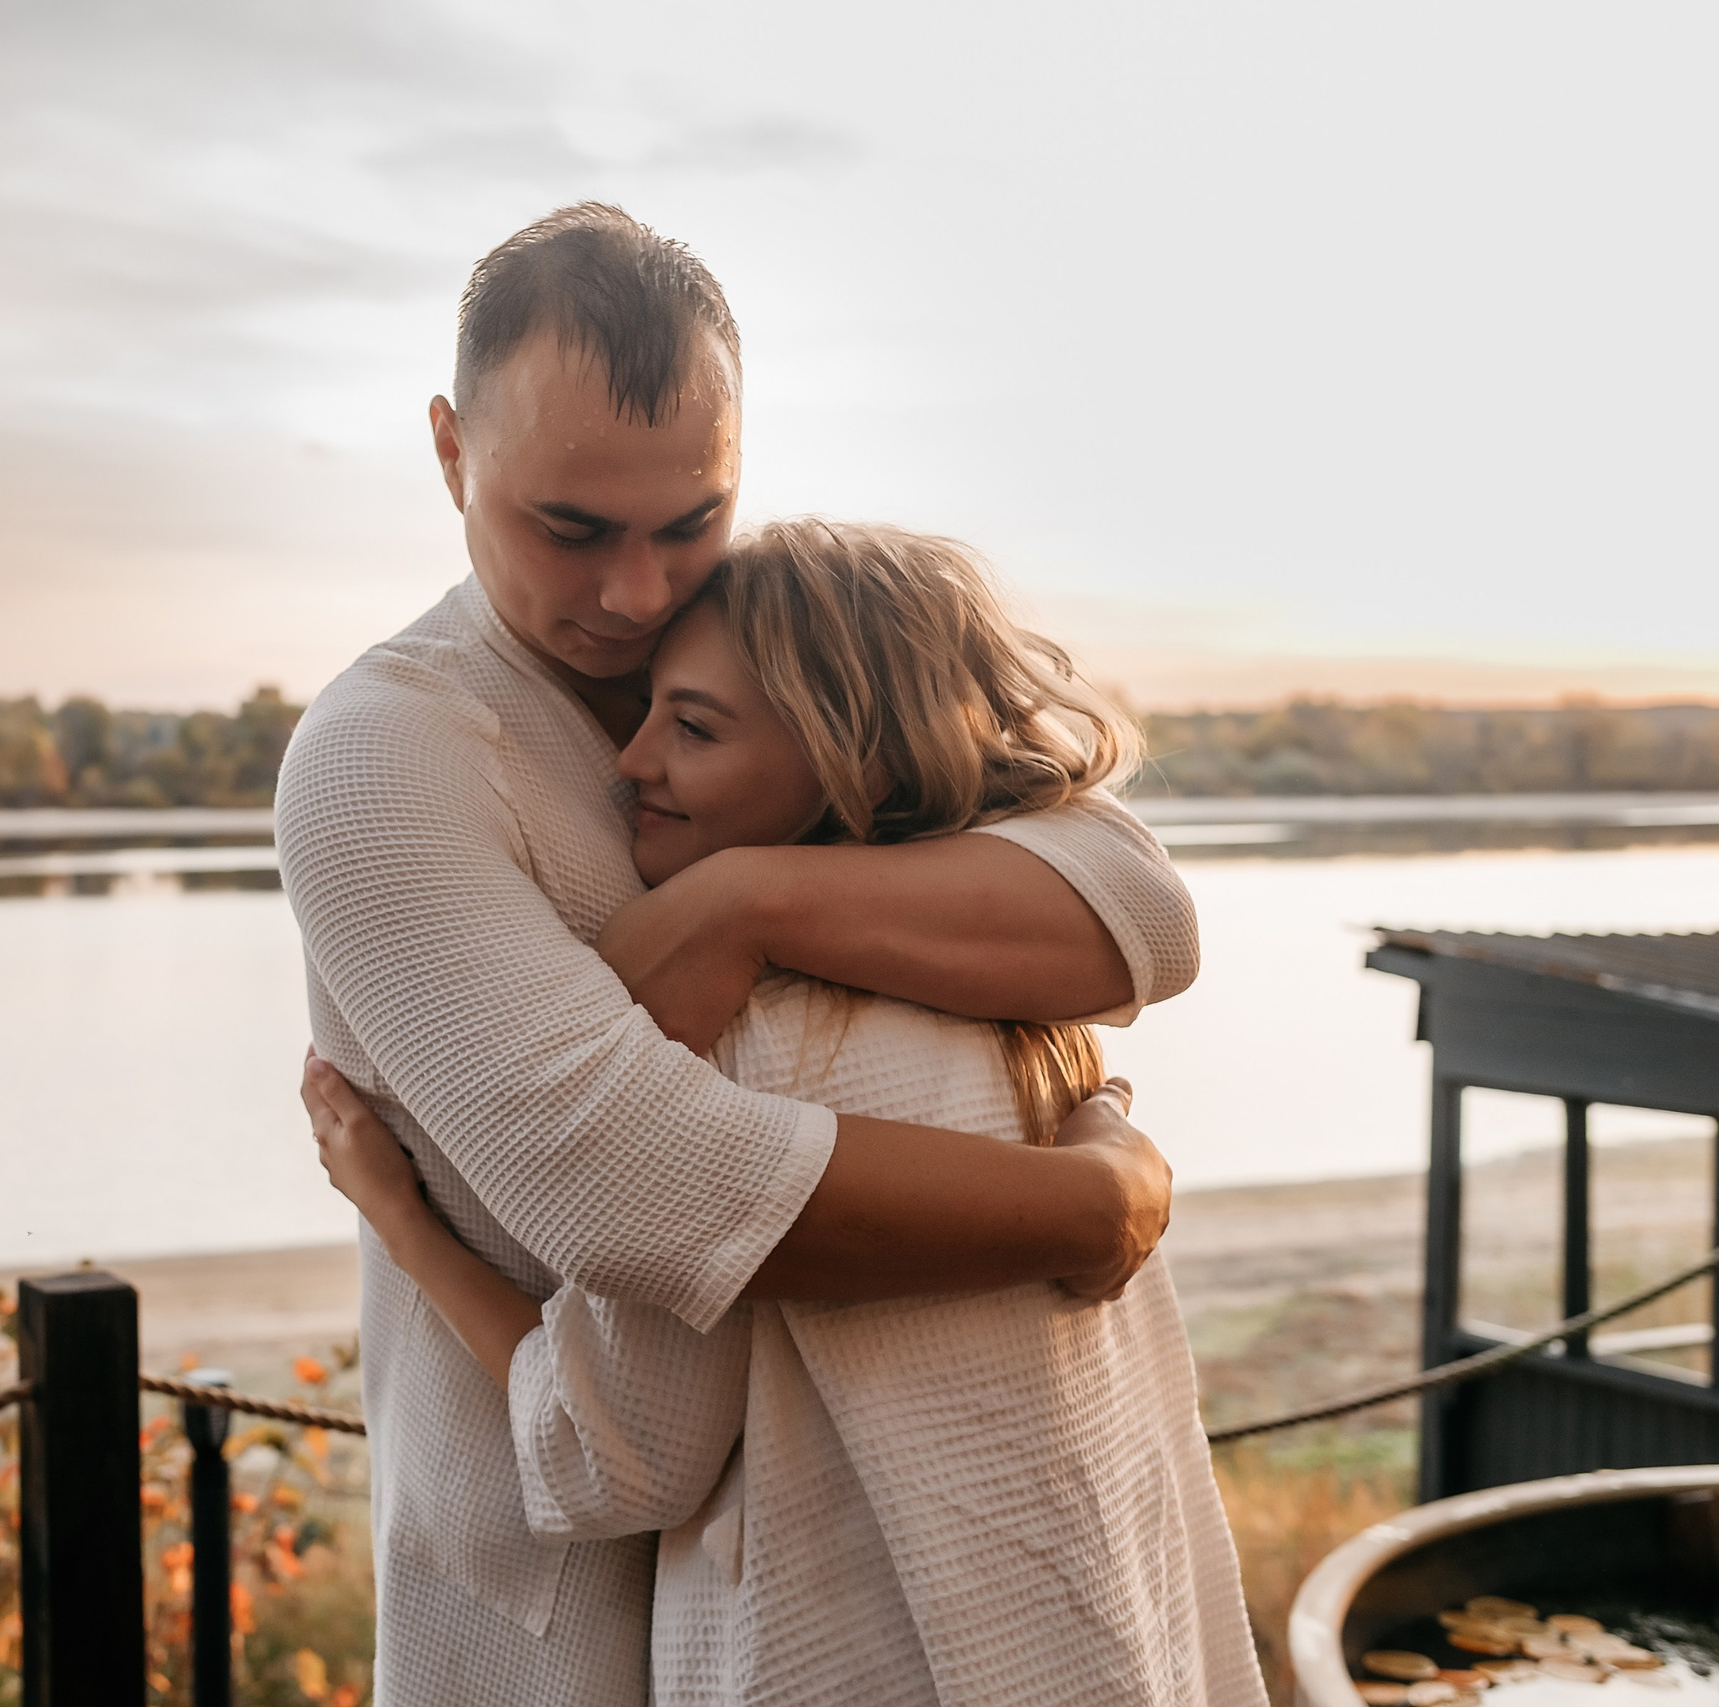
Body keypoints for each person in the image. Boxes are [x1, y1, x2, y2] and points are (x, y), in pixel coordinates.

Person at [273, 204, 1198, 1701]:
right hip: (552, 1617)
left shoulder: (770, 650)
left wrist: (744, 904)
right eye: (569, 529)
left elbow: (1137, 914)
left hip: (819, 1591)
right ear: (451, 454)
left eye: (688, 520)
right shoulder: (386, 762)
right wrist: (1086, 1204)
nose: (636, 597)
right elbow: (650, 1190)